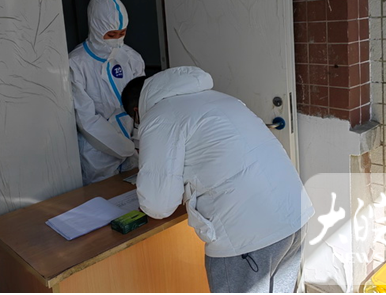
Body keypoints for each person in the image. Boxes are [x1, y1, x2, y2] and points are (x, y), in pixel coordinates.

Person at [121, 66, 314, 293]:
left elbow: (158, 205)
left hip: (247, 236)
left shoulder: (159, 116)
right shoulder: (219, 98)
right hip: (293, 213)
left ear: (137, 111)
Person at [69, 0, 145, 185]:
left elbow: (142, 102)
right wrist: (125, 147)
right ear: (95, 28)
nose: (117, 40)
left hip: (133, 144)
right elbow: (86, 119)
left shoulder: (132, 58)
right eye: (111, 34)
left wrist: (137, 142)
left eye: (122, 33)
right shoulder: (76, 64)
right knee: (102, 196)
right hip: (98, 152)